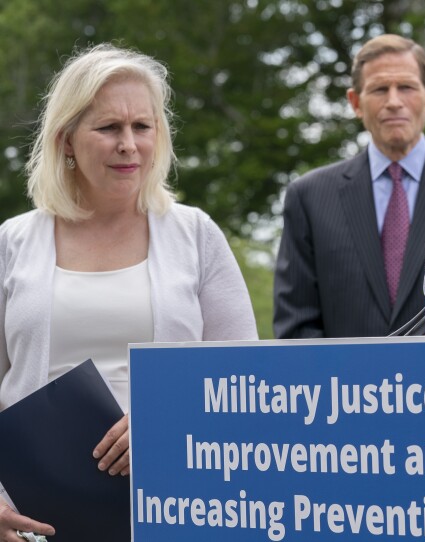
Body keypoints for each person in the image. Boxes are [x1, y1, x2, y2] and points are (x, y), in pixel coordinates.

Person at [0, 43, 258, 539]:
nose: (129, 144)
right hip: (33, 523)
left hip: (176, 507)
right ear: (66, 140)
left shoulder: (195, 235)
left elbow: (243, 378)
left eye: (142, 126)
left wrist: (165, 420)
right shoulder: (12, 242)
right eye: (108, 128)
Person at [273, 34, 425, 339]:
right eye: (380, 89)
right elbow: (296, 328)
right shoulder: (309, 197)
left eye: (407, 87)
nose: (394, 101)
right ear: (355, 102)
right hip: (346, 385)